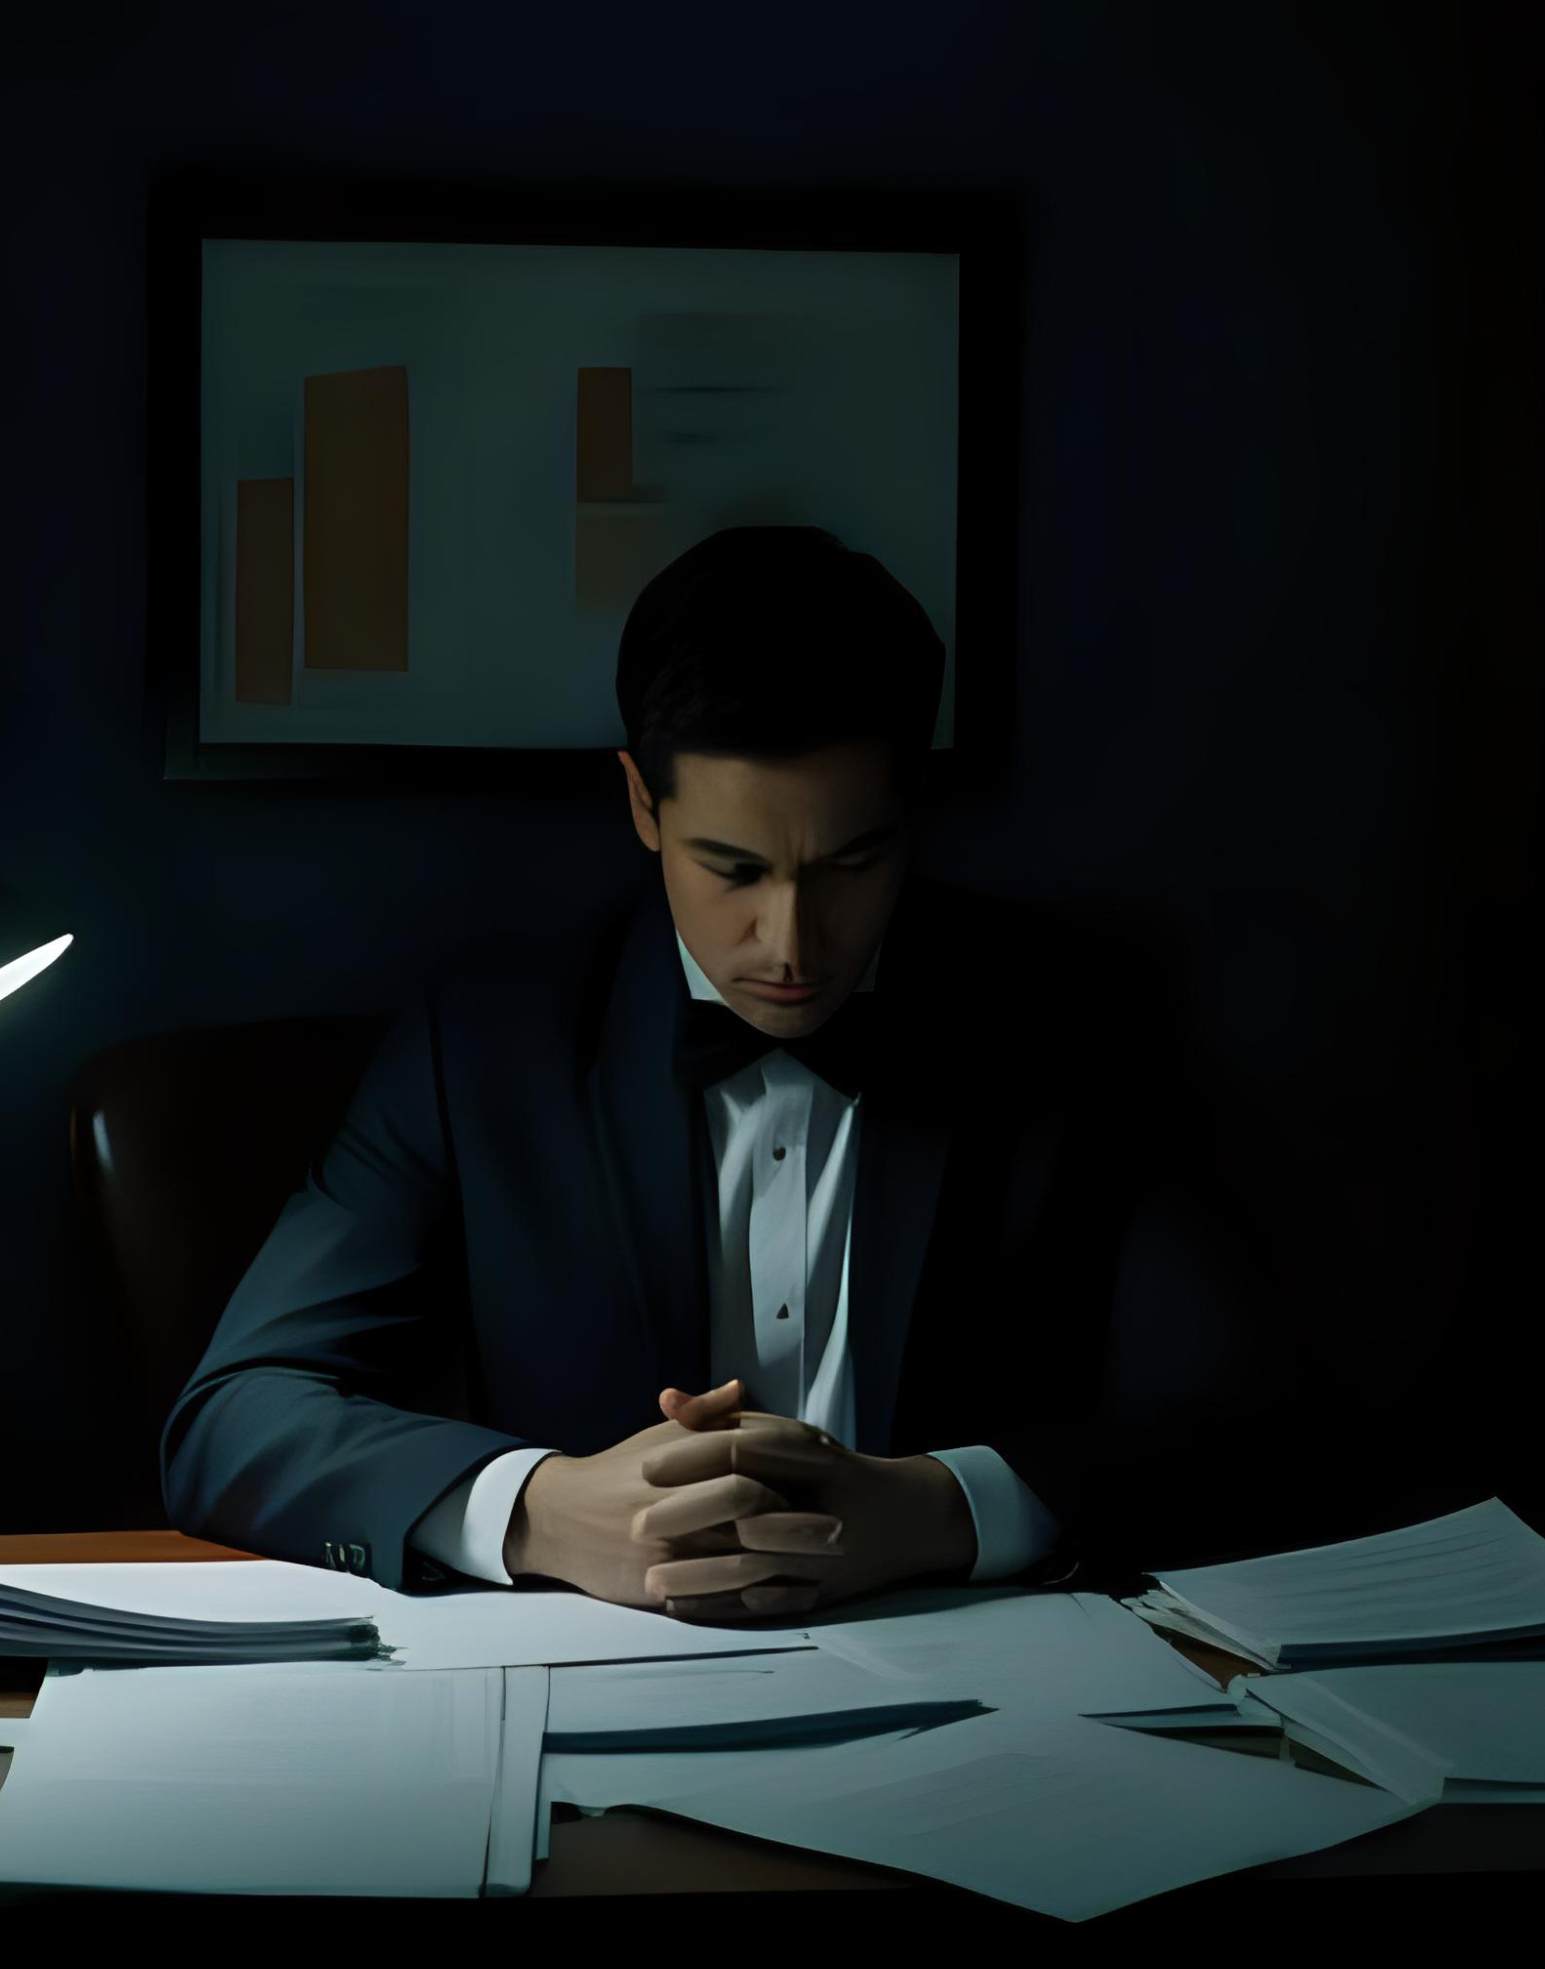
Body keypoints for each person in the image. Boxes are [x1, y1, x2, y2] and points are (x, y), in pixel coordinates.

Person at [161, 526, 1360, 1621]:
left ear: (915, 806)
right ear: (641, 800)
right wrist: (539, 1510)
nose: (791, 943)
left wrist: (942, 1509)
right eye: (732, 866)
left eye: (852, 861)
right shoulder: (480, 1038)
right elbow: (237, 1413)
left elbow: (1253, 1412)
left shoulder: (1072, 1018)